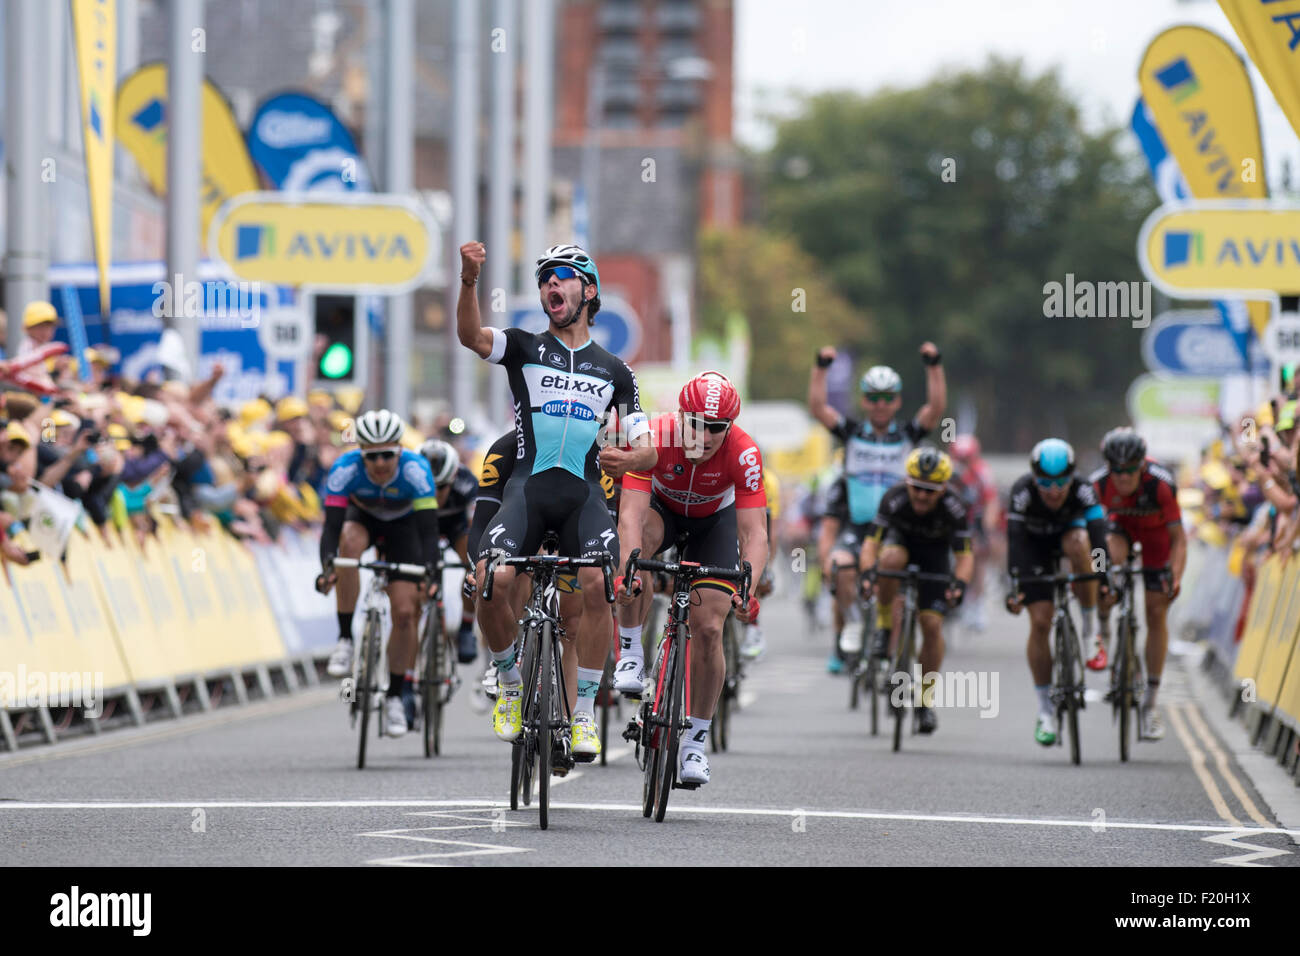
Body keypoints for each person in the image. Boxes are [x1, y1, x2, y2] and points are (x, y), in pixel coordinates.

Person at [457, 240, 654, 762]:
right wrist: (469, 280)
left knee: (598, 583)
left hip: (584, 495)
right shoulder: (523, 345)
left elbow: (647, 449)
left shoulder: (615, 370)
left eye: (561, 275)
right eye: (543, 278)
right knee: (492, 580)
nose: (550, 285)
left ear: (588, 291)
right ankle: (509, 680)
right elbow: (470, 336)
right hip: (528, 490)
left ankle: (585, 711)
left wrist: (629, 463)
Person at [615, 371, 768, 784]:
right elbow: (629, 513)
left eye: (716, 428)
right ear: (681, 415)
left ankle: (696, 743)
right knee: (639, 545)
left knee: (709, 627)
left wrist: (747, 590)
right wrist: (627, 569)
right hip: (661, 513)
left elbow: (755, 534)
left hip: (712, 525)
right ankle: (630, 650)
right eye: (696, 423)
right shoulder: (656, 437)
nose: (704, 434)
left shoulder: (744, 454)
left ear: (731, 427)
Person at [808, 343, 946, 672]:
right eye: (873, 397)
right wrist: (820, 368)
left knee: (894, 593)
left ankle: (892, 658)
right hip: (859, 526)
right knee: (841, 568)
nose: (880, 404)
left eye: (888, 398)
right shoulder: (853, 433)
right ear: (863, 400)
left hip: (899, 528)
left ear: (897, 401)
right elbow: (818, 407)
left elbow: (936, 408)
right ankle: (853, 625)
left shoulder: (908, 434)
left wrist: (934, 366)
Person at [318, 409, 441, 739]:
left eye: (388, 455)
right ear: (361, 454)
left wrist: (432, 572)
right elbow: (330, 527)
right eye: (372, 457)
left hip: (405, 528)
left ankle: (395, 698)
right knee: (348, 544)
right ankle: (345, 638)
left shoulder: (416, 470)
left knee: (404, 613)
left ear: (400, 451)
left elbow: (429, 532)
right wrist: (327, 566)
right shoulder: (345, 469)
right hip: (364, 519)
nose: (381, 464)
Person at [858, 447, 972, 735]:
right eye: (917, 488)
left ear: (944, 488)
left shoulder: (955, 506)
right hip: (900, 546)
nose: (922, 496)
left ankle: (924, 702)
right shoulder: (894, 498)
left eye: (930, 491)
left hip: (934, 557)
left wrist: (959, 584)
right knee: (890, 559)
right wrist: (868, 573)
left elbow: (964, 555)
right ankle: (884, 626)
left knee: (932, 626)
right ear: (908, 482)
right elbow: (871, 543)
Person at [1004, 438, 1108, 747]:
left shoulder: (1084, 490)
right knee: (1040, 623)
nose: (1053, 489)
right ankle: (1045, 710)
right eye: (1045, 482)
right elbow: (1015, 543)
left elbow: (1099, 537)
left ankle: (1091, 633)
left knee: (1080, 543)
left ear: (1072, 476)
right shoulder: (1022, 492)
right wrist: (1016, 585)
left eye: (1061, 481)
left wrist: (1102, 577)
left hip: (1068, 539)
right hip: (1034, 549)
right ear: (1034, 477)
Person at [1091, 427, 1186, 742]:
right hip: (1121, 530)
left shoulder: (1161, 484)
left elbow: (1179, 540)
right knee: (1106, 571)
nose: (1122, 477)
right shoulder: (1097, 485)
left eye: (1130, 469)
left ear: (1141, 465)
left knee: (1155, 611)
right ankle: (1104, 626)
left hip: (1157, 537)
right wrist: (1101, 574)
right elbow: (1095, 541)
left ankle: (1150, 703)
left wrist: (1176, 575)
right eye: (1116, 470)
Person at [420, 438, 480, 663]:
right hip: (424, 525)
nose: (435, 494)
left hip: (456, 525)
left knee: (472, 558)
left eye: (442, 487)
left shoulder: (467, 482)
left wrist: (473, 564)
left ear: (453, 479)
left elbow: (476, 528)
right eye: (429, 488)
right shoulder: (409, 480)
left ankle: (466, 627)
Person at [949, 434, 1002, 632]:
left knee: (977, 557)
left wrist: (989, 527)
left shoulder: (982, 472)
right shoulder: (948, 470)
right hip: (951, 518)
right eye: (959, 459)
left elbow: (991, 501)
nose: (963, 463)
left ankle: (977, 604)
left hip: (974, 519)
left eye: (966, 459)